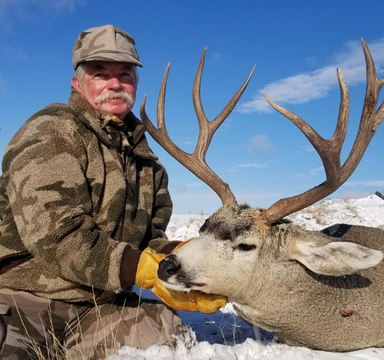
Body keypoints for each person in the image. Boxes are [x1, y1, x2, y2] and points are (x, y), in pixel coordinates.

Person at [0, 25, 225, 360]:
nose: (115, 83)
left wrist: (186, 261)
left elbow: (151, 240)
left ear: (135, 82)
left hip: (100, 304)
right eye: (101, 73)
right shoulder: (52, 132)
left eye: (125, 73)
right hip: (25, 298)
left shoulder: (149, 165)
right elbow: (58, 237)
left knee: (168, 331)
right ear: (78, 83)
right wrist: (140, 269)